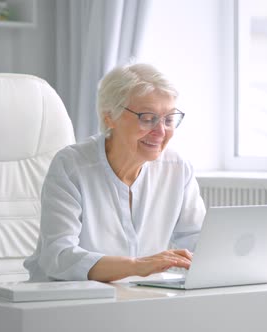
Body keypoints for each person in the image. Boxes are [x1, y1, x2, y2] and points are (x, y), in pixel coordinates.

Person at [24, 63, 206, 282]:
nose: (160, 131)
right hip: (66, 300)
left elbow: (197, 239)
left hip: (135, 298)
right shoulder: (71, 166)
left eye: (168, 119)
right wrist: (138, 266)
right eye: (148, 118)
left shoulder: (178, 168)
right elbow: (58, 256)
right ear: (109, 116)